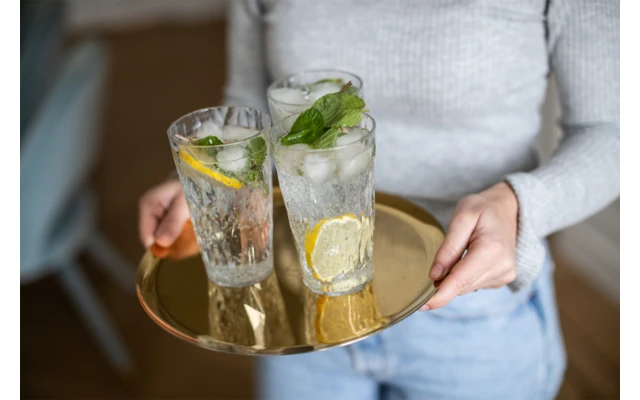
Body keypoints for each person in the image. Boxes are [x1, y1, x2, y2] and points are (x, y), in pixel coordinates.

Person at [139, 1, 619, 399]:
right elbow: (249, 101)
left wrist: (519, 203)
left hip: (471, 313)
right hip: (306, 300)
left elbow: (613, 132)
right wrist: (211, 182)